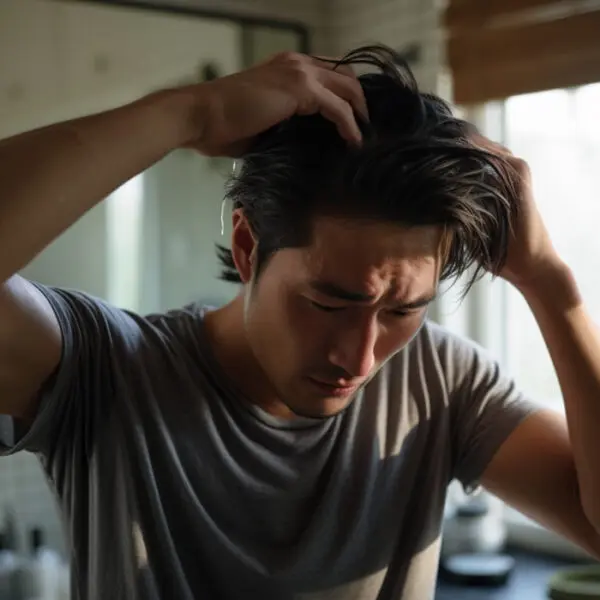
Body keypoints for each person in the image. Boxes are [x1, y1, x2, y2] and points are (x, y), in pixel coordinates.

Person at [0, 45, 598, 600]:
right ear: (245, 245)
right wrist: (188, 114)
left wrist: (549, 282)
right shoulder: (106, 369)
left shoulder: (442, 380)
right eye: (328, 303)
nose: (359, 359)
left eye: (401, 311)